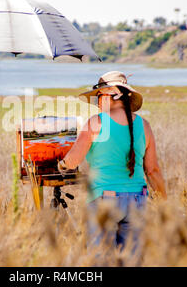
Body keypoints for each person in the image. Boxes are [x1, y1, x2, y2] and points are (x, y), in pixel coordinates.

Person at [57, 71, 167, 249]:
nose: (98, 103)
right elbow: (153, 170)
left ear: (110, 95)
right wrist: (164, 204)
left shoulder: (96, 123)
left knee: (102, 260)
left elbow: (72, 161)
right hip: (138, 200)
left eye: (99, 96)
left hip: (104, 199)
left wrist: (61, 164)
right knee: (131, 260)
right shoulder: (144, 125)